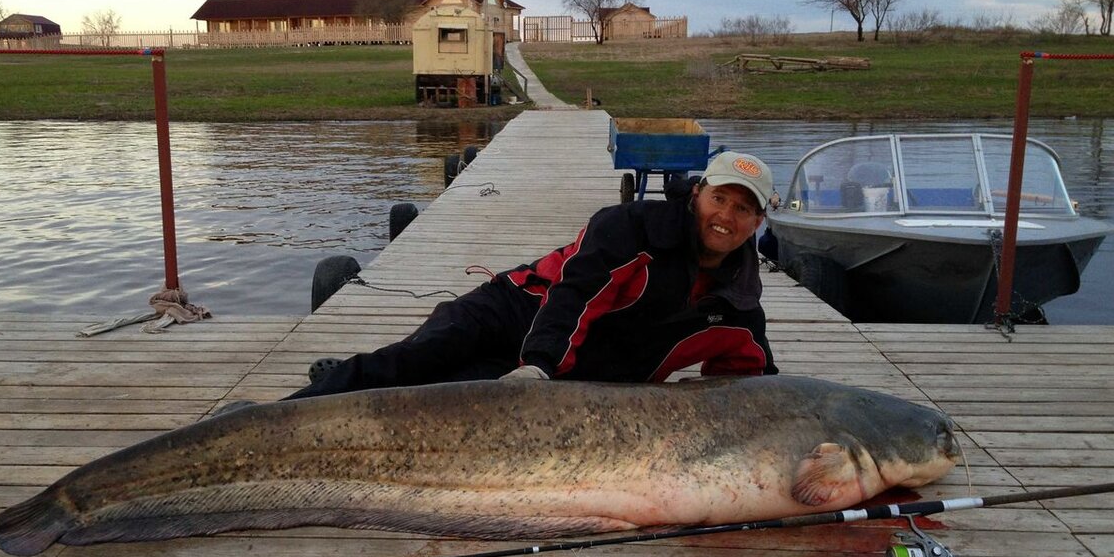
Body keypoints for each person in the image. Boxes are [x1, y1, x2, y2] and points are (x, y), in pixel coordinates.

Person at [286, 150, 778, 400]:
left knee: (444, 395)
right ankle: (283, 408)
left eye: (743, 208)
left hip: (579, 371)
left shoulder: (738, 304)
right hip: (517, 310)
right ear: (697, 195)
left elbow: (752, 382)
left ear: (758, 222)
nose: (726, 216)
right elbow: (575, 294)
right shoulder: (630, 227)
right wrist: (537, 366)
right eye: (720, 199)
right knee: (413, 360)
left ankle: (348, 383)